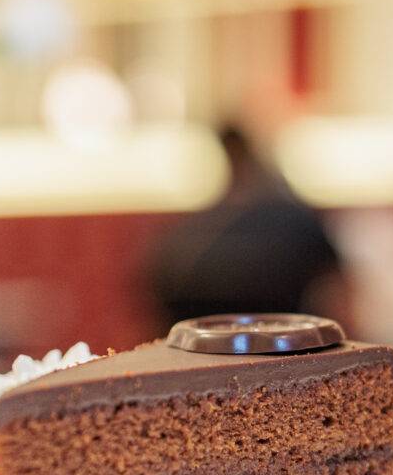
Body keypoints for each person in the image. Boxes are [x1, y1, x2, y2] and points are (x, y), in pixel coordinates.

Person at [147, 124, 349, 328]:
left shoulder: (191, 229)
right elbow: (338, 288)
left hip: (197, 343)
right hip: (283, 340)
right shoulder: (292, 219)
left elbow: (156, 291)